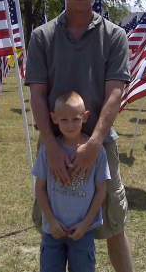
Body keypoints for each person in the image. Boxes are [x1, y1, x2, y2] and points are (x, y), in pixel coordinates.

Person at [25, 0, 134, 272]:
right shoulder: (41, 37)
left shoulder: (114, 36)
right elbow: (37, 94)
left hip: (102, 145)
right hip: (53, 143)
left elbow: (115, 92)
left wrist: (94, 144)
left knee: (114, 224)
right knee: (54, 226)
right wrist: (52, 146)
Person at [32, 90, 110, 272]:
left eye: (75, 118)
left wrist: (86, 223)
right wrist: (51, 220)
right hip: (53, 231)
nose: (70, 125)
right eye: (64, 119)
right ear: (54, 118)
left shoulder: (96, 153)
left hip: (82, 231)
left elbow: (101, 191)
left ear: (85, 117)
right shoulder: (48, 151)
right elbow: (40, 188)